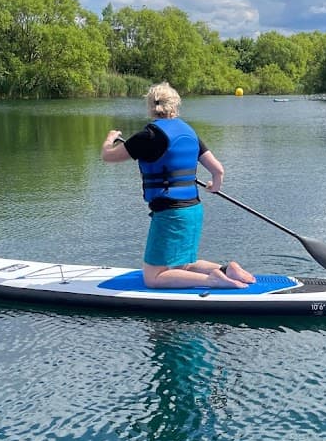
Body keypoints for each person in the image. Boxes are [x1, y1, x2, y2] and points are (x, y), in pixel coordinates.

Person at [101, 82, 255, 289]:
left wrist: (110, 139)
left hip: (170, 213)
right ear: (175, 105)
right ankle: (227, 269)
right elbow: (218, 170)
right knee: (183, 264)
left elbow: (108, 157)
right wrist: (214, 186)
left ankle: (213, 279)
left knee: (153, 277)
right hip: (193, 208)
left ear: (150, 106)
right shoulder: (190, 132)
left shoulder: (148, 136)